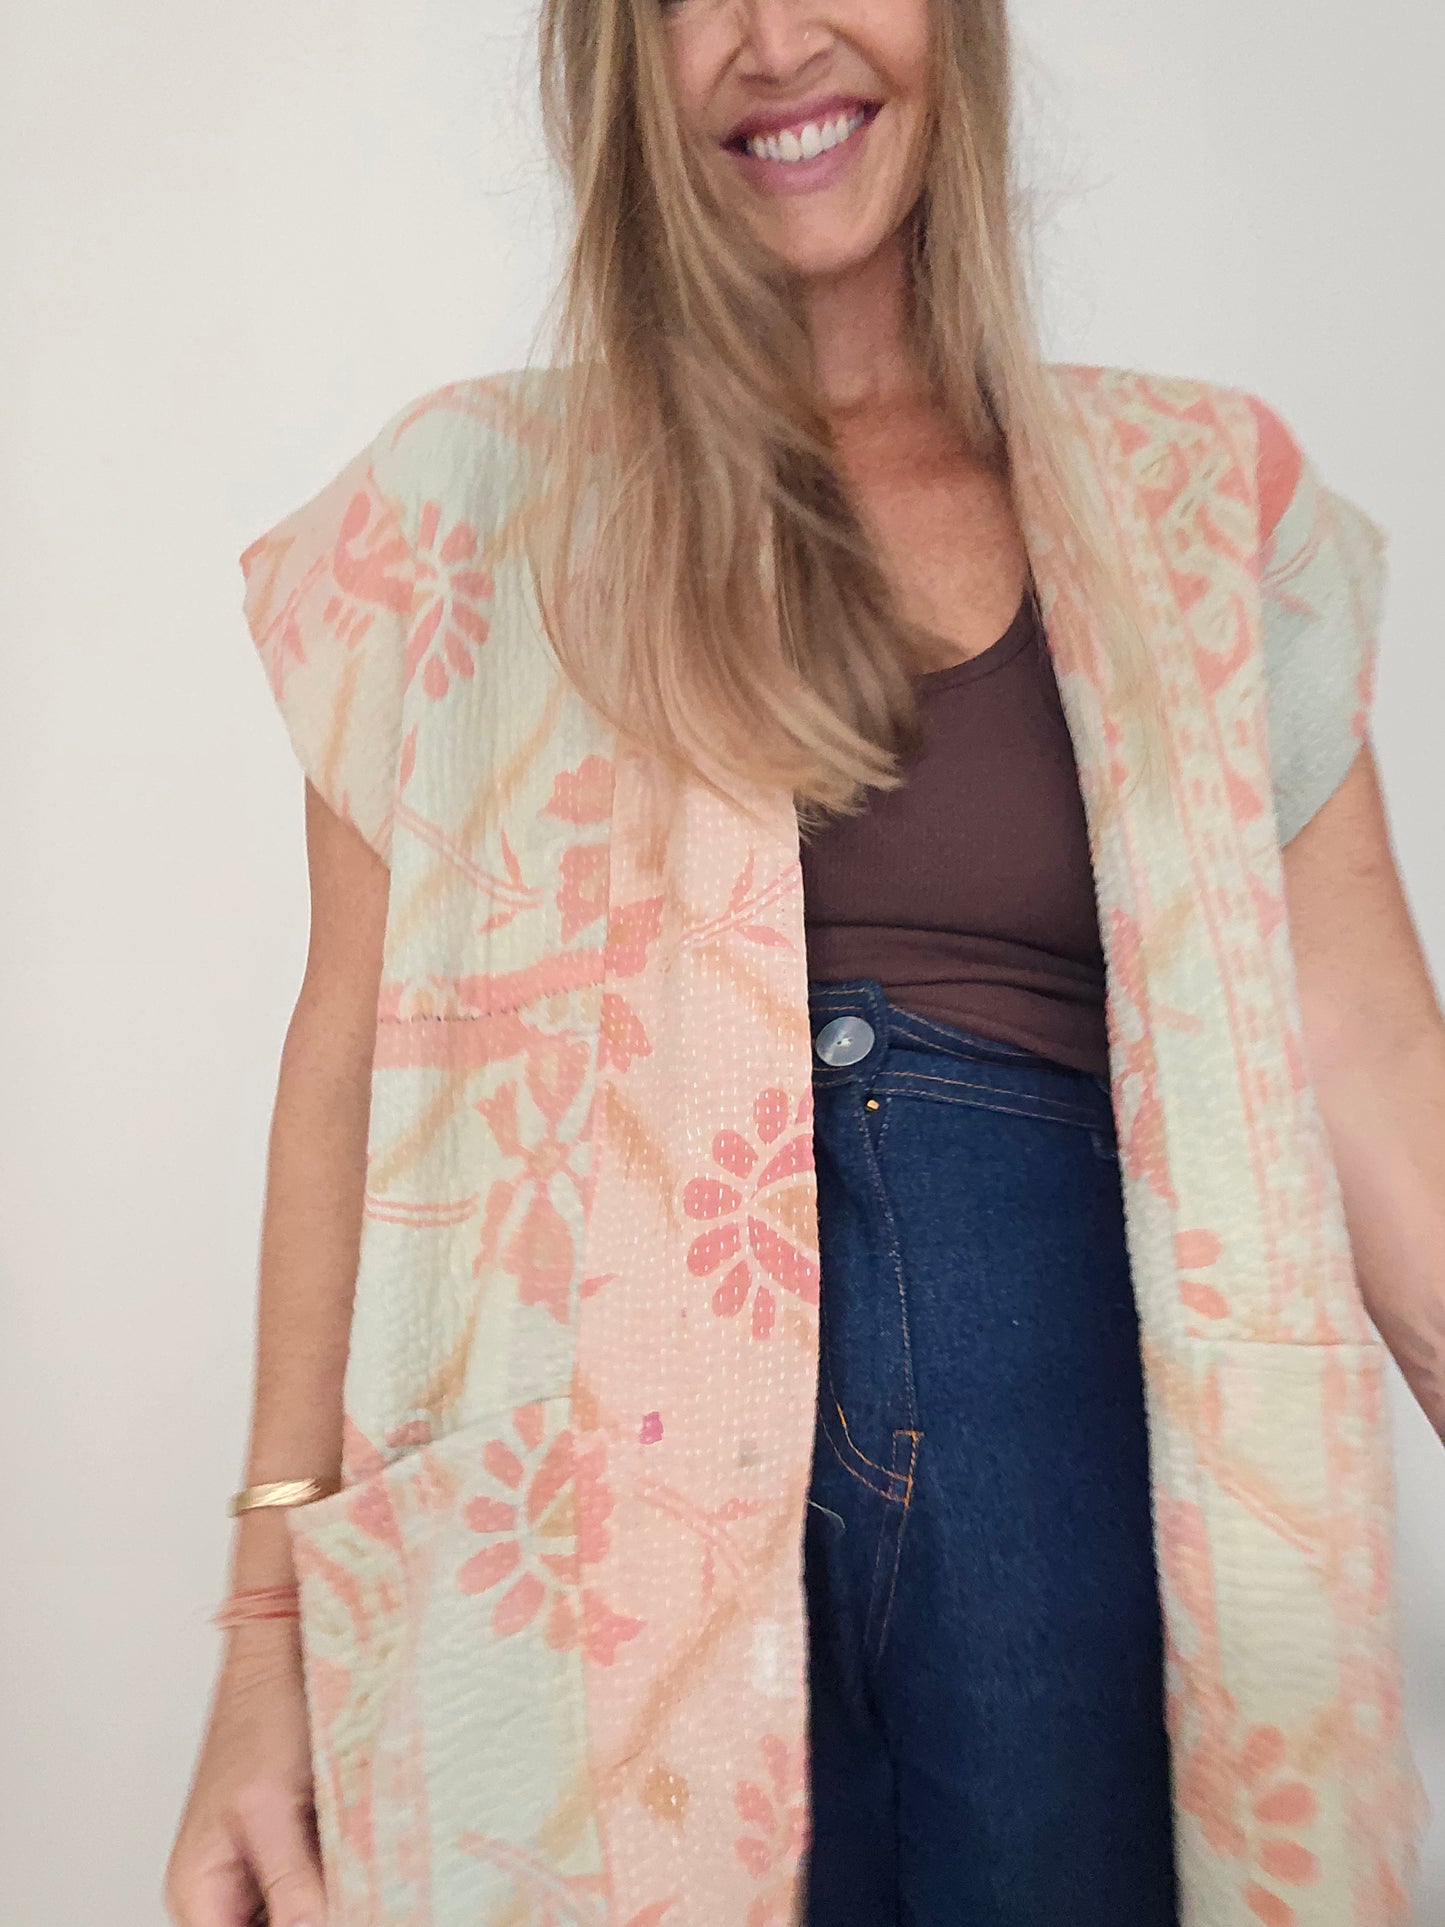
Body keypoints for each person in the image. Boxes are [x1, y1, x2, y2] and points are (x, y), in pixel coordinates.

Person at [166, 3, 1442, 1924]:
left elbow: (1376, 1061)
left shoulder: (1198, 502)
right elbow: (350, 1063)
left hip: (1072, 1486)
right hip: (592, 1539)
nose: (773, 43)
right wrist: (267, 1640)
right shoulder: (454, 515)